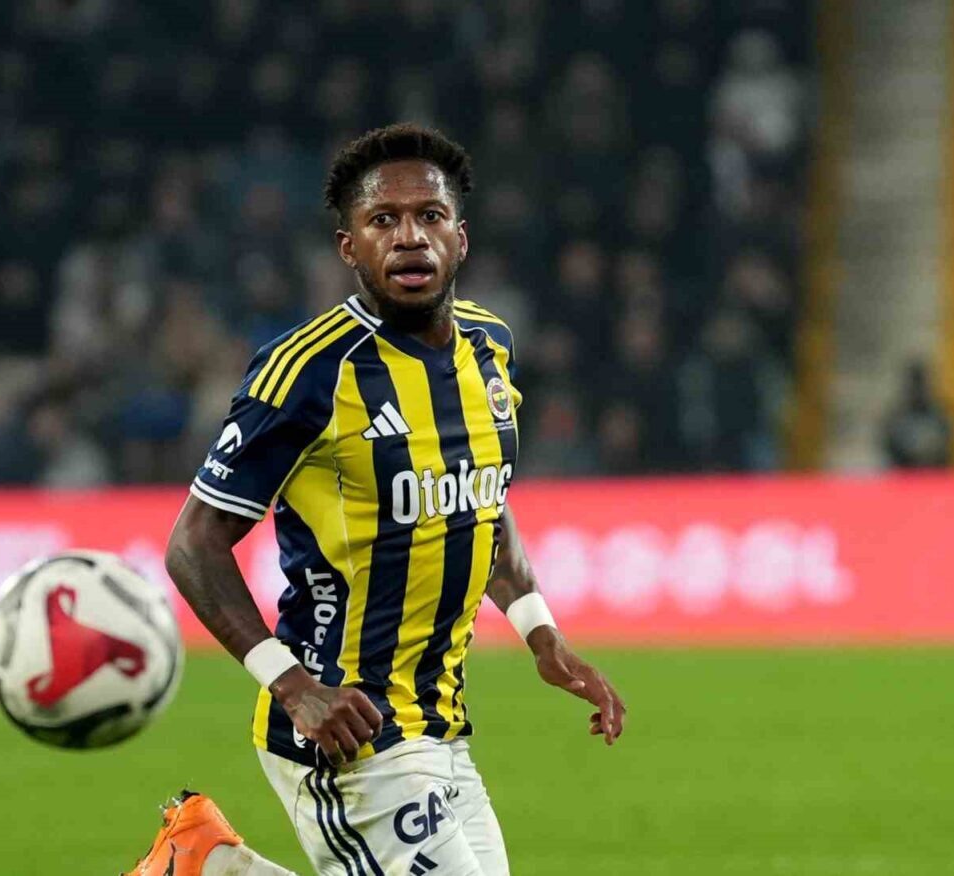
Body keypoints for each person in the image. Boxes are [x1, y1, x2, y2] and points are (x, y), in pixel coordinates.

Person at [126, 125, 626, 876]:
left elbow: (483, 502)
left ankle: (208, 868)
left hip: (440, 722)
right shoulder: (307, 371)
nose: (409, 237)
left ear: (460, 237)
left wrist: (540, 632)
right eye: (382, 220)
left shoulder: (489, 347)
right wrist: (294, 687)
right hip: (343, 729)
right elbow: (192, 544)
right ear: (348, 248)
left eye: (430, 215)